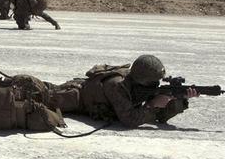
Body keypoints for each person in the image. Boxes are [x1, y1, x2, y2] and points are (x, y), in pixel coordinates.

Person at [52, 54, 198, 126]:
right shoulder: (117, 85)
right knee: (43, 96)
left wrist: (181, 99)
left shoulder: (140, 86)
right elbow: (129, 119)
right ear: (142, 79)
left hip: (90, 99)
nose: (155, 86)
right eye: (152, 82)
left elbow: (160, 117)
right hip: (76, 97)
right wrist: (151, 105)